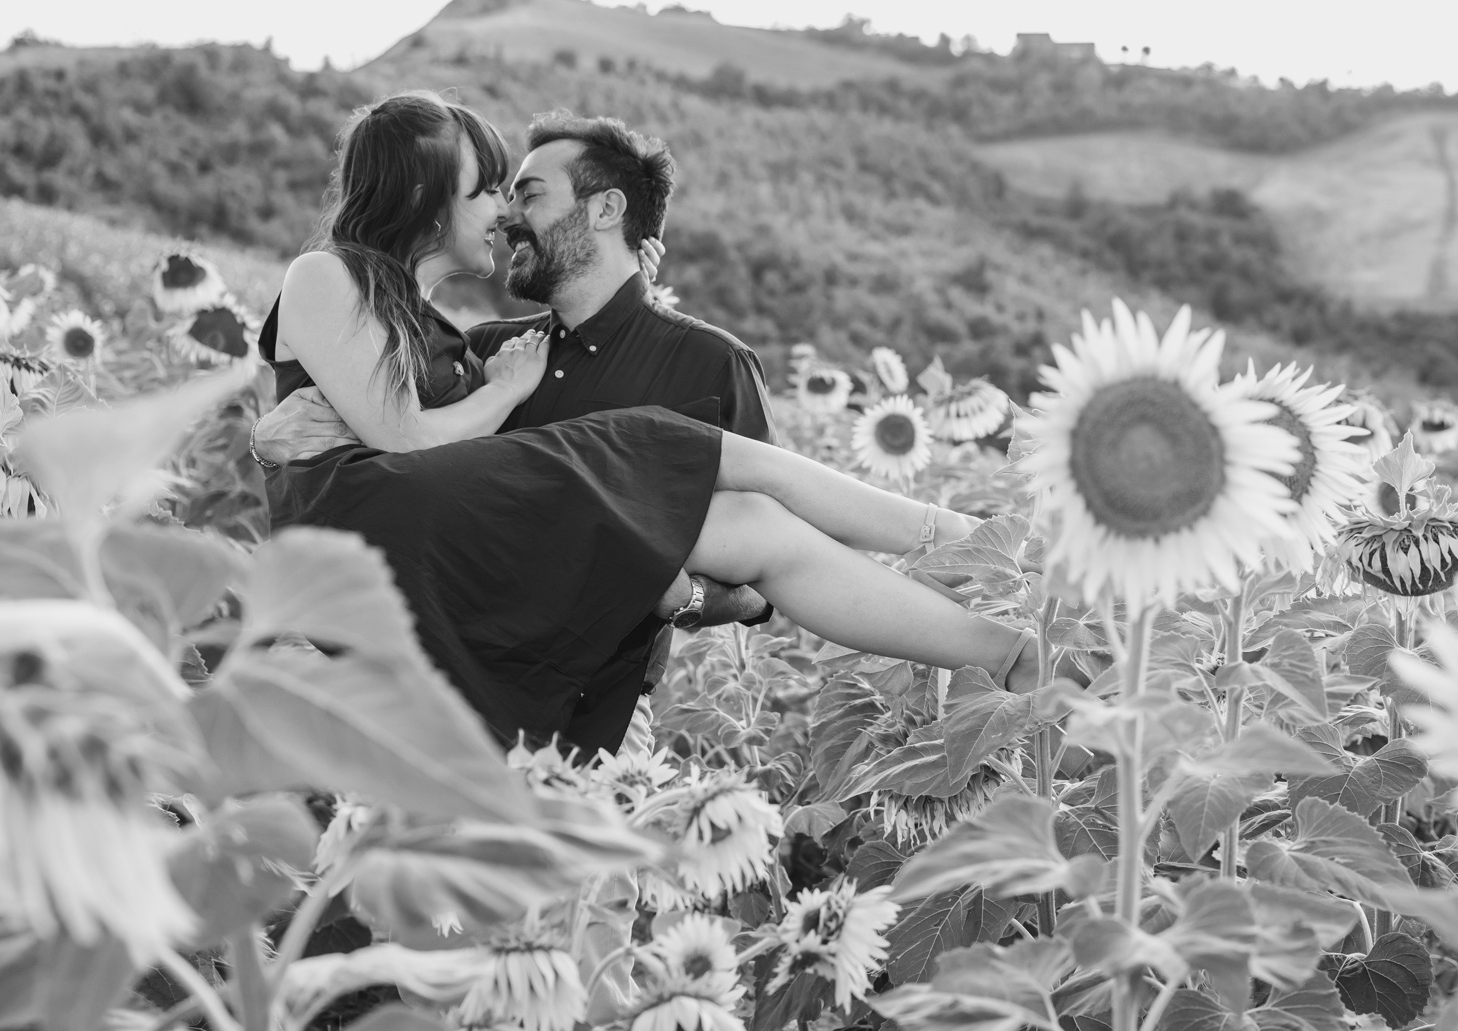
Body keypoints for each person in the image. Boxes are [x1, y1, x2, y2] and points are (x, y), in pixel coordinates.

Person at [252, 91, 1037, 755]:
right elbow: (403, 439)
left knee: (753, 524)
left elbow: (749, 594)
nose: (502, 211)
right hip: (369, 529)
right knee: (657, 437)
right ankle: (993, 540)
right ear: (425, 195)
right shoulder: (335, 279)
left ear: (607, 211)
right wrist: (504, 390)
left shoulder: (666, 357)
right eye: (489, 189)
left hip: (469, 578)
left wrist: (631, 306)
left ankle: (1010, 644)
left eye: (520, 192)